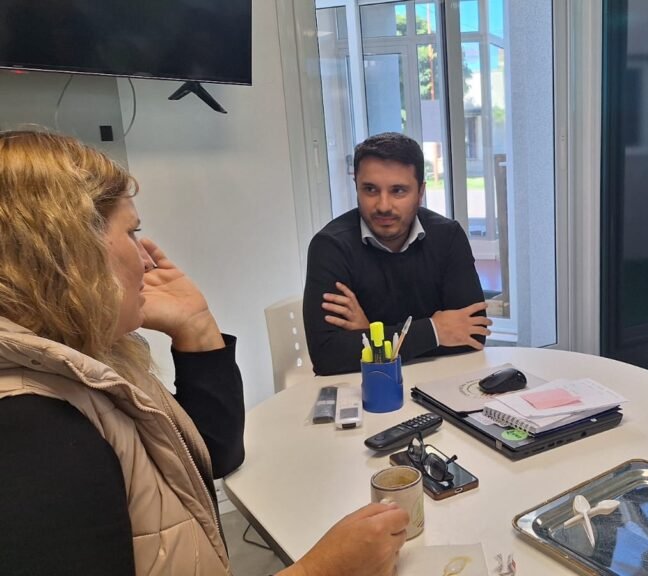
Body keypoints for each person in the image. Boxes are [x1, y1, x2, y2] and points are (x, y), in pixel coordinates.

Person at [0, 131, 408, 575]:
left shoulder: (89, 362)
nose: (147, 261)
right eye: (132, 233)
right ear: (68, 251)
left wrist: (196, 328)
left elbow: (212, 456)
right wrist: (322, 570)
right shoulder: (29, 429)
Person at [304, 132, 492, 375]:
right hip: (364, 386)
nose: (383, 205)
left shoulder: (448, 236)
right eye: (370, 189)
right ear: (356, 187)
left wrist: (371, 337)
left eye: (398, 191)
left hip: (437, 381)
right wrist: (435, 331)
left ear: (420, 192)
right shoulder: (330, 247)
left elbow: (472, 335)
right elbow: (327, 356)